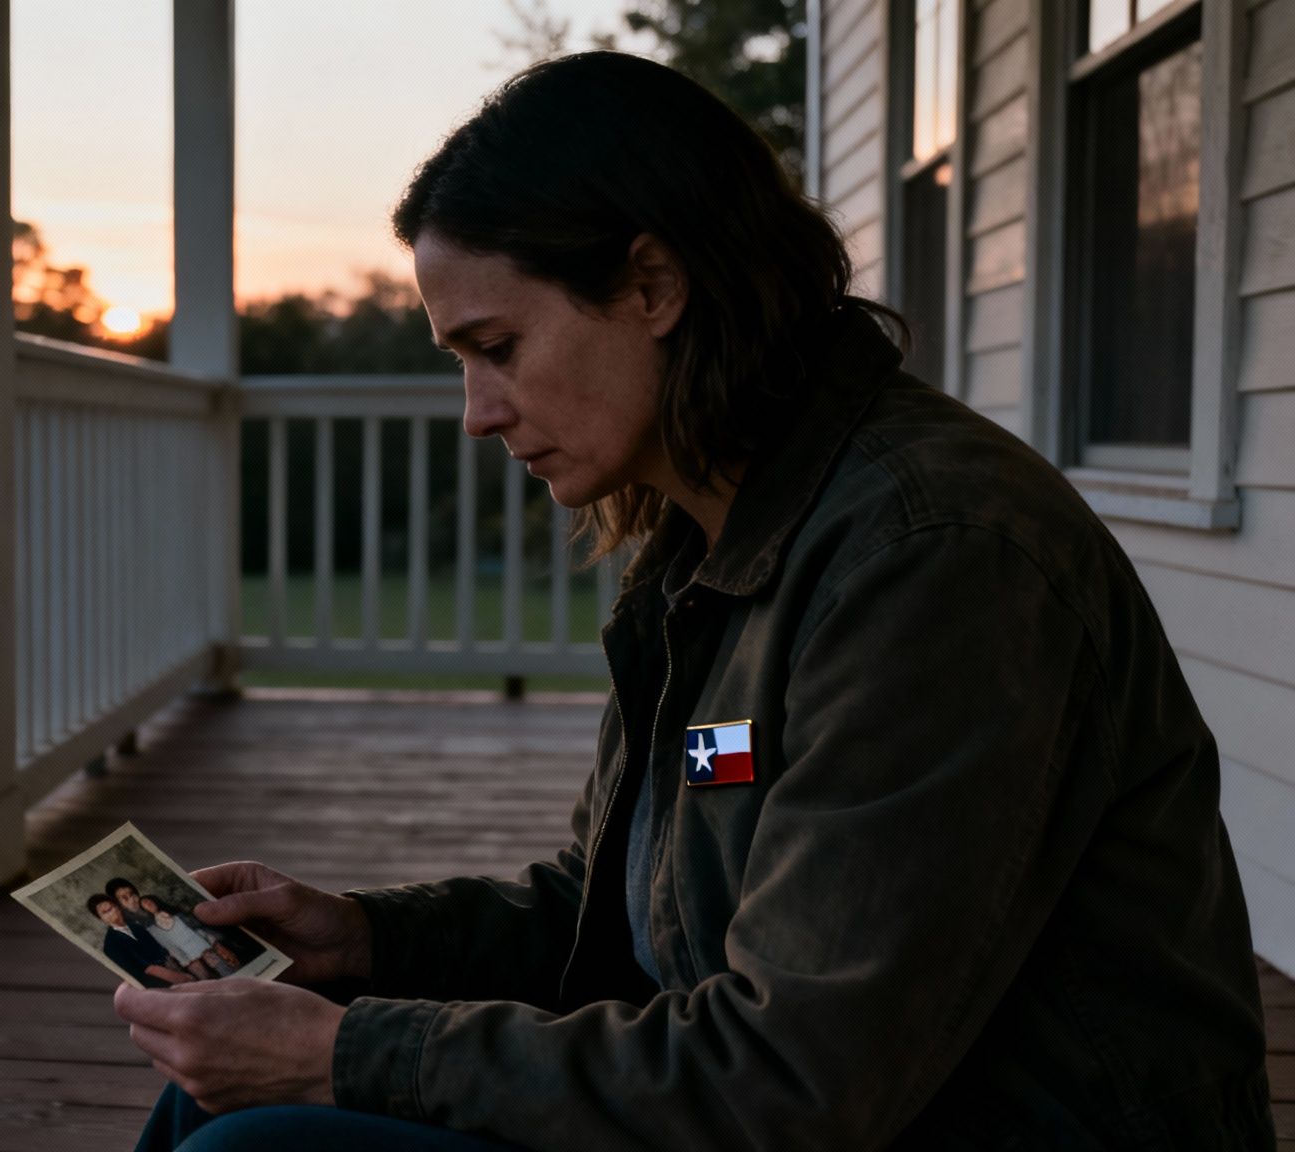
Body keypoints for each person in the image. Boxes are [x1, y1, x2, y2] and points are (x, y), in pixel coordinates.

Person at [113, 51, 1272, 1151]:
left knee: (265, 1140)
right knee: (209, 1111)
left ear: (652, 285)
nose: (476, 411)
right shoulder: (710, 536)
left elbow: (793, 1084)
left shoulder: (935, 561)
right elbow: (620, 911)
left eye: (497, 345)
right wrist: (365, 940)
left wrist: (352, 1052)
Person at [91, 895, 194, 989]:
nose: (111, 912)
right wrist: (178, 977)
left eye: (111, 907)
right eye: (105, 912)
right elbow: (144, 969)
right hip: (158, 985)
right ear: (101, 918)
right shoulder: (110, 945)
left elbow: (158, 947)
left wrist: (179, 965)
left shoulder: (135, 925)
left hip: (173, 965)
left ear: (118, 907)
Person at [142, 896, 234, 979]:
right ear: (144, 909)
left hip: (199, 944)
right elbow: (168, 945)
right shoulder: (153, 928)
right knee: (204, 977)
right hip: (186, 954)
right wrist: (183, 959)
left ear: (155, 900)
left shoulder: (176, 913)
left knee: (222, 967)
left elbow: (197, 927)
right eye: (144, 905)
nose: (148, 904)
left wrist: (213, 941)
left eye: (148, 901)